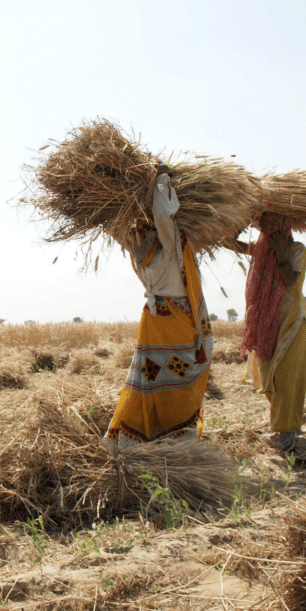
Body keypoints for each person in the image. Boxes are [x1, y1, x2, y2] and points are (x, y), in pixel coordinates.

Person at [106, 171, 214, 446]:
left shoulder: (171, 246)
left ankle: (177, 437)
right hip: (153, 325)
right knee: (147, 378)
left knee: (175, 378)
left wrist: (160, 181)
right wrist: (100, 207)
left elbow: (164, 216)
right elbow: (116, 230)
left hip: (177, 323)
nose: (142, 235)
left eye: (148, 228)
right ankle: (143, 437)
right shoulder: (142, 252)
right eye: (141, 230)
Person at [237, 212, 306, 452]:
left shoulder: (297, 250)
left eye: (271, 230)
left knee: (287, 380)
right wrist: (234, 224)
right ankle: (291, 420)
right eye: (264, 230)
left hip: (291, 326)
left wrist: (280, 253)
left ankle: (286, 435)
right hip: (266, 325)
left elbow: (289, 280)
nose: (266, 234)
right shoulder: (261, 250)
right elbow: (231, 243)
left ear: (282, 229)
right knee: (270, 379)